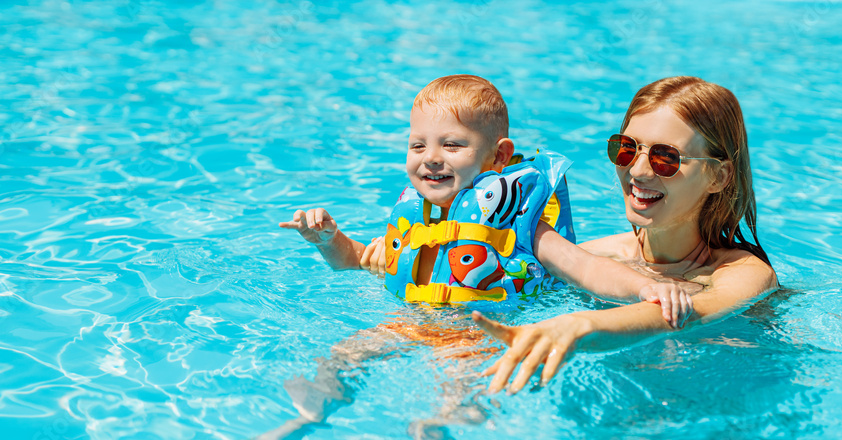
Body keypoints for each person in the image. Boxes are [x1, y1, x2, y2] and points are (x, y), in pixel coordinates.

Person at [280, 74, 693, 322]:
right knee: (343, 357)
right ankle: (306, 414)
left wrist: (644, 289)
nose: (432, 159)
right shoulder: (414, 216)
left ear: (498, 156)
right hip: (409, 325)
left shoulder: (520, 225)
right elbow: (356, 261)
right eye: (418, 146)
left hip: (476, 336)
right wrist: (328, 240)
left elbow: (584, 268)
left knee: (455, 387)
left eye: (453, 145)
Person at [473, 76, 780, 394]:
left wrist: (580, 324)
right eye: (627, 149)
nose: (637, 171)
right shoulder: (596, 258)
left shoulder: (745, 273)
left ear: (718, 176)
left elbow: (688, 313)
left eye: (666, 158)